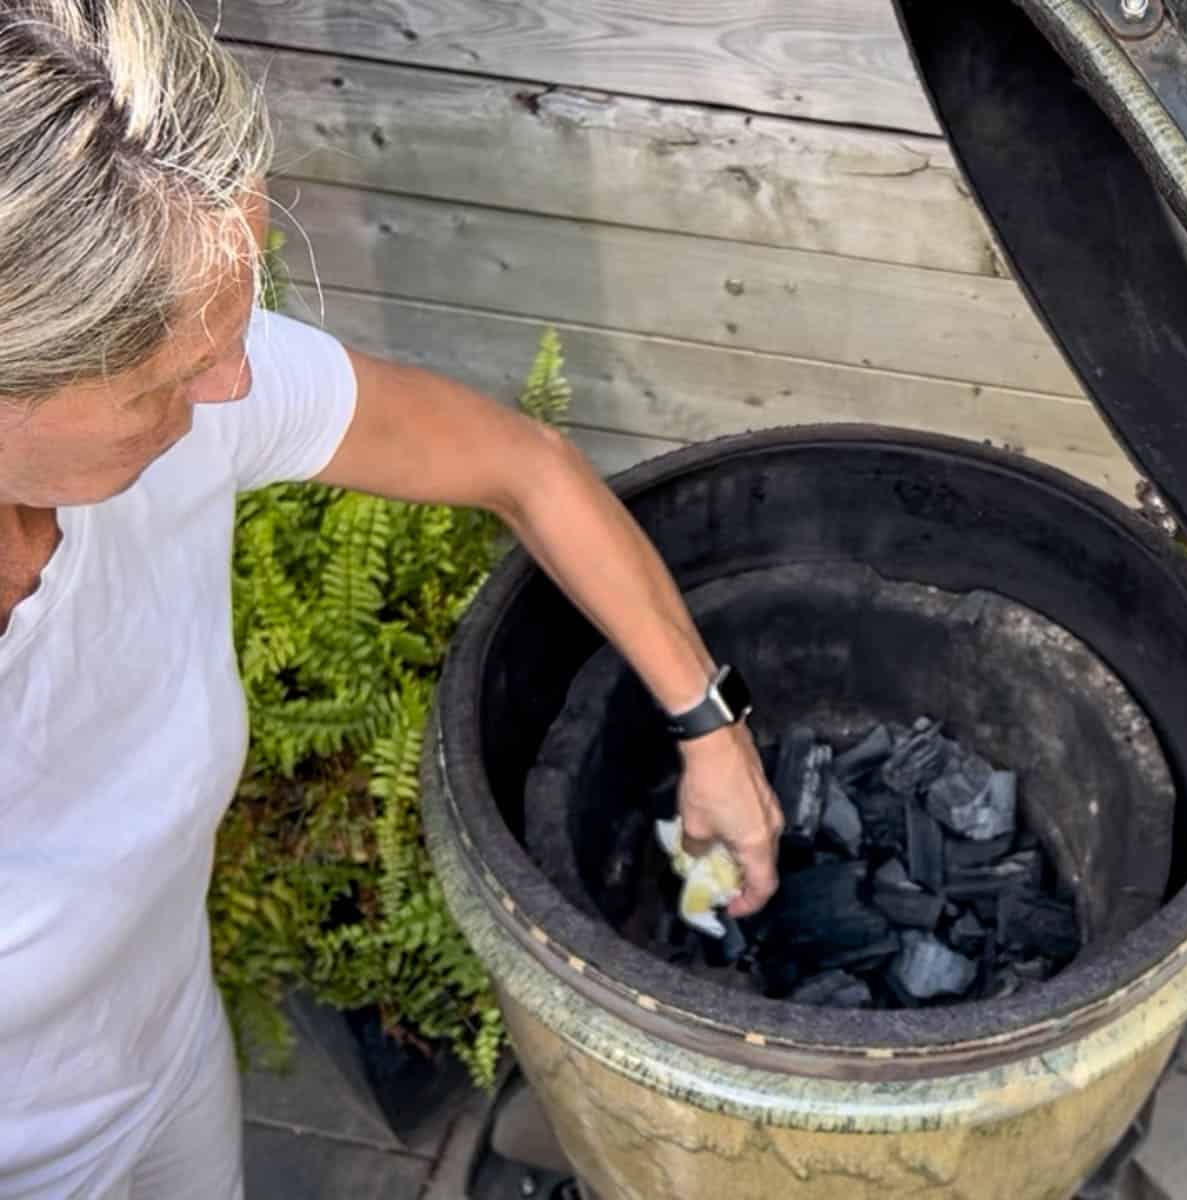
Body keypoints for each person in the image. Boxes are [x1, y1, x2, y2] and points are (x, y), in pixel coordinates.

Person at [0, 2, 784, 1196]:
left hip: (162, 1069)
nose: (242, 379)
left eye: (241, 306)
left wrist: (707, 723)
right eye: (171, 371)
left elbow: (526, 468)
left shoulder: (199, 404)